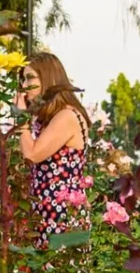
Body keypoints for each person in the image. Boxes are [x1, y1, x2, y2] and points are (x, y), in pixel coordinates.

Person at [15, 52, 90, 242]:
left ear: (48, 78)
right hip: (47, 215)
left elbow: (31, 155)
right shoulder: (50, 118)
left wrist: (20, 118)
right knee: (42, 270)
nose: (24, 86)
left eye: (30, 78)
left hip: (63, 217)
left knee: (60, 270)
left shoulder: (66, 116)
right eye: (23, 79)